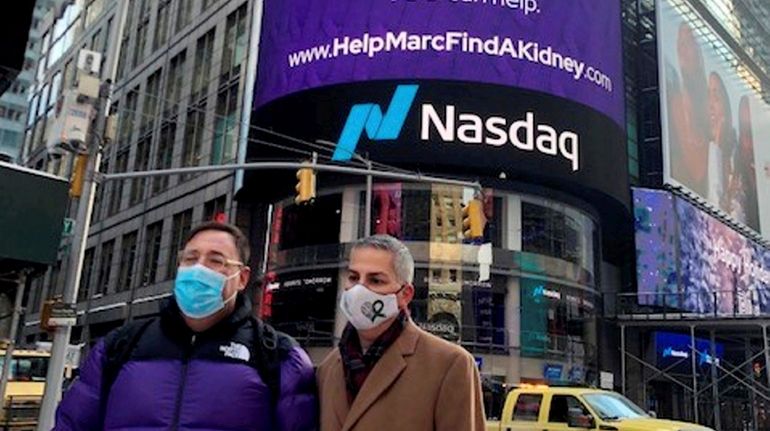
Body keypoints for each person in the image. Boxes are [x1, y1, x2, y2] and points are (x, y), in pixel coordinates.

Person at [54, 222, 319, 431]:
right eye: (190, 259)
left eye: (216, 261)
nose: (199, 269)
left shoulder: (277, 355)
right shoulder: (118, 346)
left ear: (242, 278)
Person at [316, 235, 486, 430]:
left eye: (376, 280)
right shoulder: (328, 368)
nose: (359, 290)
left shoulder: (450, 365)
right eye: (354, 277)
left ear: (405, 294)